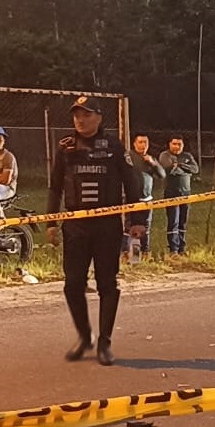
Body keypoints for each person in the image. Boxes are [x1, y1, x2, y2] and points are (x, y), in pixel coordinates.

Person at [46, 97, 148, 365]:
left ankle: (105, 342)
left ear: (99, 118)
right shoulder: (65, 147)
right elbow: (55, 186)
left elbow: (133, 184)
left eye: (86, 115)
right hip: (75, 227)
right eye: (76, 115)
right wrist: (51, 223)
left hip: (106, 227)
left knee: (107, 284)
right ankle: (84, 336)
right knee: (72, 285)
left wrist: (137, 220)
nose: (80, 120)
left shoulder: (114, 146)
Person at [121, 133, 166, 260]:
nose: (143, 145)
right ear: (134, 143)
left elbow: (162, 175)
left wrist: (153, 163)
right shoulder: (128, 157)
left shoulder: (149, 159)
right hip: (131, 198)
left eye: (145, 142)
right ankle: (127, 254)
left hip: (147, 199)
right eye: (140, 142)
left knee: (145, 228)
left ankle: (144, 253)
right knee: (130, 227)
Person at [159, 135, 199, 256]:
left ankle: (182, 248)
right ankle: (173, 249)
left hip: (186, 193)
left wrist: (181, 165)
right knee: (173, 221)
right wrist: (182, 169)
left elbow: (195, 169)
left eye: (179, 144)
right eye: (174, 144)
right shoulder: (165, 155)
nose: (177, 147)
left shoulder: (187, 156)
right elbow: (169, 169)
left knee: (183, 222)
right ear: (169, 144)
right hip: (172, 193)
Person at [0, 126, 17, 202]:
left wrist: (1, 177)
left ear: (4, 141)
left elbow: (5, 180)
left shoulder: (8, 157)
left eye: (0, 138)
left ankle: (0, 214)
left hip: (7, 188)